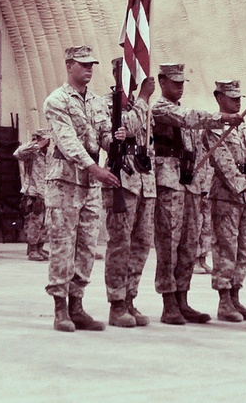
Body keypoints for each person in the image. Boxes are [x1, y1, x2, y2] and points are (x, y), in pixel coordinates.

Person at [152, 63, 242, 325]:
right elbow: (187, 119)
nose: (179, 86)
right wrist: (222, 118)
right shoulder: (161, 109)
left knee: (189, 244)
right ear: (162, 82)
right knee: (168, 244)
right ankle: (168, 301)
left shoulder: (181, 110)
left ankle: (183, 299)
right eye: (174, 81)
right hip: (169, 184)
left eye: (182, 82)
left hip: (189, 184)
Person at [42, 45, 125, 333]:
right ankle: (60, 309)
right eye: (83, 64)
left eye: (92, 65)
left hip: (90, 185)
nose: (89, 69)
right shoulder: (57, 100)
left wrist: (115, 141)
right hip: (65, 180)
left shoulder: (97, 102)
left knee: (87, 246)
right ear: (69, 65)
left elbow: (101, 136)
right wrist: (96, 168)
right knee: (63, 245)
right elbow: (68, 142)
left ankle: (77, 305)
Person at [202, 79, 246, 322]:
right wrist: (245, 188)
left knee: (243, 249)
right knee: (225, 248)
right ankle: (223, 301)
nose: (237, 101)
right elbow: (224, 165)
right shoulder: (215, 130)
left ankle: (235, 296)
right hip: (226, 196)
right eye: (232, 97)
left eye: (239, 97)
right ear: (219, 97)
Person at [97, 57, 156, 328]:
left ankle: (131, 297)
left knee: (142, 244)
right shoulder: (107, 105)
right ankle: (116, 303)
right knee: (121, 244)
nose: (134, 79)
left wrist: (142, 101)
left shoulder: (140, 106)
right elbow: (125, 130)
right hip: (122, 180)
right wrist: (144, 97)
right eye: (129, 74)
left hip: (145, 181)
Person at [13, 128, 52, 262]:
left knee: (45, 223)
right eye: (46, 139)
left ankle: (40, 247)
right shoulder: (32, 153)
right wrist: (36, 144)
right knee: (35, 222)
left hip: (48, 192)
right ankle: (33, 249)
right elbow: (17, 153)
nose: (48, 142)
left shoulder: (49, 154)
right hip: (34, 192)